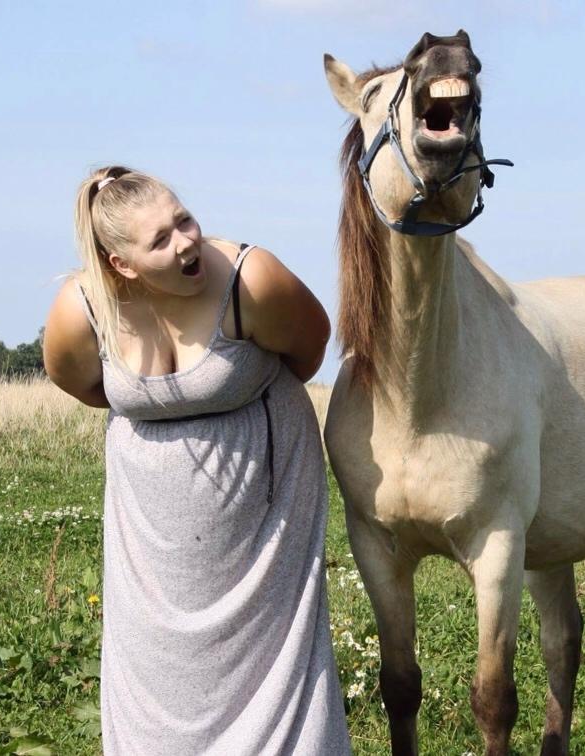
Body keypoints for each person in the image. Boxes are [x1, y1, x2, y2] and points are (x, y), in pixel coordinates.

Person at [43, 165, 352, 754]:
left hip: (263, 497)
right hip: (150, 521)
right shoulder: (82, 308)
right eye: (160, 240)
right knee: (156, 665)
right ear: (122, 266)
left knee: (272, 657)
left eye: (182, 220)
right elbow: (80, 382)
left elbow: (309, 348)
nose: (186, 242)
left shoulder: (248, 278)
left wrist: (229, 405)